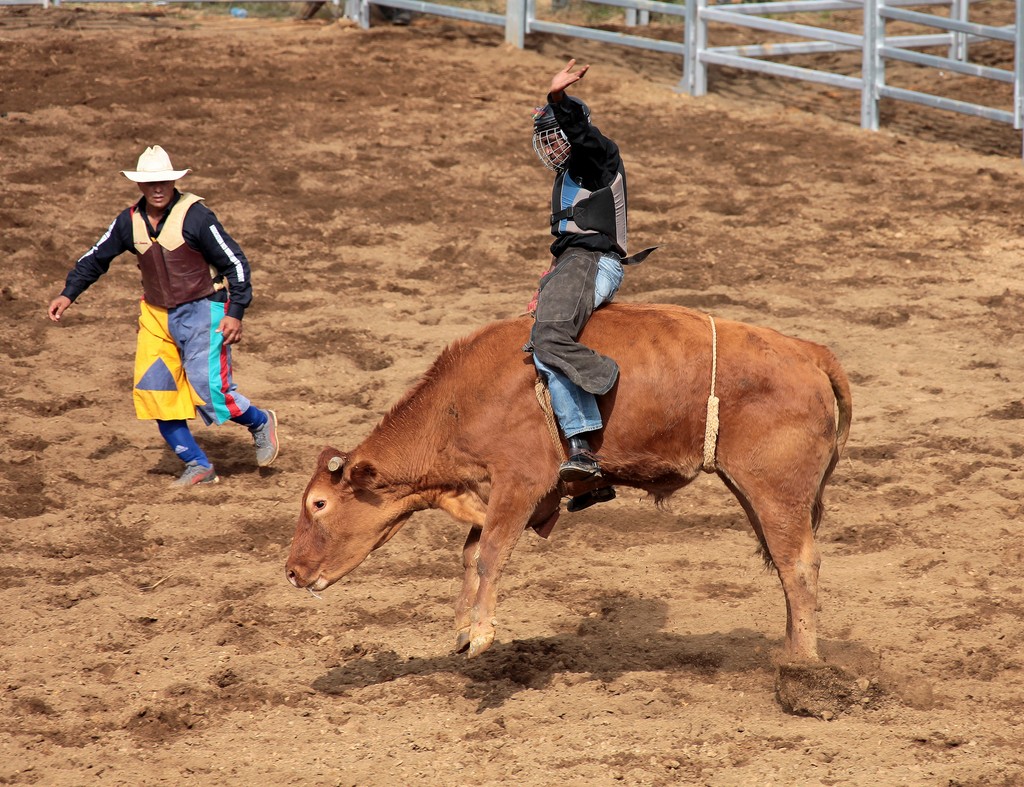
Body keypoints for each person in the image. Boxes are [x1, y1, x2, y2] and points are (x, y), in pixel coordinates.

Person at [47, 145, 279, 487]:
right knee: (157, 391)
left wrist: (236, 311)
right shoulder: (128, 222)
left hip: (204, 311)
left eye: (164, 182)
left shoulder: (197, 217)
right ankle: (197, 464)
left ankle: (259, 421)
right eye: (151, 182)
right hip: (156, 316)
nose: (158, 188)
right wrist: (69, 293)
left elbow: (235, 263)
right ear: (140, 185)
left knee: (209, 389)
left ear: (174, 182)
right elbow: (95, 258)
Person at [527, 59, 654, 487]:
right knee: (539, 346)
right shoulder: (568, 173)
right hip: (572, 263)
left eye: (555, 135)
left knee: (549, 337)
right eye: (545, 138)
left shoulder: (599, 155)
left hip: (593, 262)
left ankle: (602, 382)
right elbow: (565, 240)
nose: (551, 146)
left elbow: (581, 135)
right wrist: (545, 282)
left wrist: (557, 98)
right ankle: (576, 457)